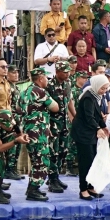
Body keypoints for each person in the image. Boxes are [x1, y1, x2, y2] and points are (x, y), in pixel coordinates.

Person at [21, 68, 60, 201]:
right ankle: (33, 189)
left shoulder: (24, 92)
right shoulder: (40, 91)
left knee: (35, 159)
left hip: (28, 130)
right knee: (42, 160)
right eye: (46, 78)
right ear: (40, 79)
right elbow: (55, 107)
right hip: (38, 132)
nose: (47, 81)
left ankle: (32, 188)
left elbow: (18, 109)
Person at [70, 74, 110, 200]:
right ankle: (83, 189)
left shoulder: (97, 96)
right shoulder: (88, 97)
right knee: (85, 162)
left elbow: (97, 114)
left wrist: (104, 126)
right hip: (83, 133)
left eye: (106, 88)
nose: (104, 91)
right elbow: (89, 117)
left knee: (93, 161)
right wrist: (98, 128)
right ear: (96, 85)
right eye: (102, 88)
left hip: (90, 132)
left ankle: (91, 186)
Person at [0, 110, 30, 204]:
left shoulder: (11, 119)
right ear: (0, 124)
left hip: (3, 136)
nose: (10, 127)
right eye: (7, 126)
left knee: (7, 159)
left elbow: (18, 132)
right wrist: (16, 141)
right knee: (0, 162)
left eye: (11, 125)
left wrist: (23, 137)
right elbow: (0, 148)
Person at [45, 61, 73, 193]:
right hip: (53, 123)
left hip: (65, 123)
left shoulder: (68, 84)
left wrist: (75, 116)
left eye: (68, 71)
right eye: (65, 72)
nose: (68, 74)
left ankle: (56, 176)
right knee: (53, 152)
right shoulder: (49, 85)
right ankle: (52, 179)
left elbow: (69, 102)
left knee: (63, 151)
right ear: (57, 72)